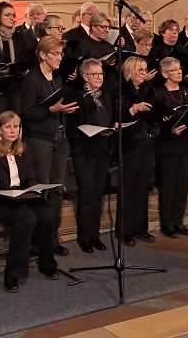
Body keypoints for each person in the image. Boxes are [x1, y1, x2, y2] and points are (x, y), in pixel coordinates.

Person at [0, 111, 60, 292]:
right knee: (26, 218)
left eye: (16, 127)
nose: (13, 130)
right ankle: (14, 273)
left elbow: (31, 178)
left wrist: (34, 189)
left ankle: (47, 263)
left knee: (48, 213)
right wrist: (11, 194)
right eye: (8, 127)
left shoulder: (23, 149)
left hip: (21, 195)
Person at [20, 36, 79, 256]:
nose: (59, 58)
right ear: (42, 55)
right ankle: (39, 241)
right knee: (42, 190)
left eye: (61, 54)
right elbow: (26, 113)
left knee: (56, 191)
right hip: (40, 140)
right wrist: (52, 110)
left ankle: (53, 238)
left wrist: (66, 109)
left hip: (60, 139)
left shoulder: (57, 78)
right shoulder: (32, 79)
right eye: (55, 53)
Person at [67, 59, 113, 252]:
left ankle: (95, 235)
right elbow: (73, 126)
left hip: (102, 149)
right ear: (85, 76)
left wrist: (113, 127)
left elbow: (110, 118)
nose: (99, 77)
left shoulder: (105, 96)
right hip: (84, 150)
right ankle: (84, 237)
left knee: (98, 194)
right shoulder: (78, 96)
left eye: (101, 74)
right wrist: (91, 132)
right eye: (95, 74)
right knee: (86, 194)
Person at [155, 57, 188, 238]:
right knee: (168, 186)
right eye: (173, 70)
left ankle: (178, 222)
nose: (179, 72)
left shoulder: (186, 91)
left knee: (182, 186)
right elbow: (157, 121)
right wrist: (170, 129)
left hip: (187, 143)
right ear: (165, 74)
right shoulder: (159, 94)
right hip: (169, 145)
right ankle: (167, 224)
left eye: (180, 68)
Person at [119, 56, 157, 246]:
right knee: (128, 188)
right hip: (130, 143)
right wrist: (133, 109)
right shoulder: (121, 90)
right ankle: (124, 230)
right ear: (130, 71)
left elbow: (155, 110)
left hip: (147, 141)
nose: (144, 74)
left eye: (145, 70)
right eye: (140, 70)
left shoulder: (148, 89)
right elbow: (117, 116)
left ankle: (140, 227)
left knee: (143, 186)